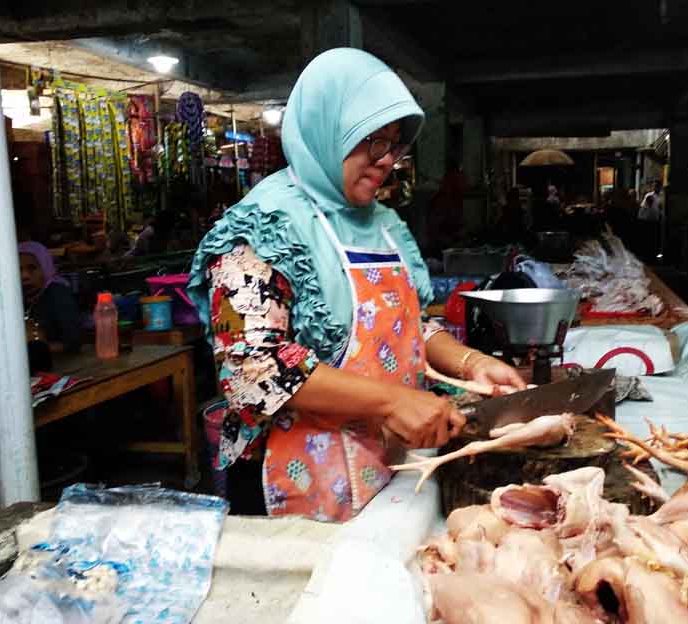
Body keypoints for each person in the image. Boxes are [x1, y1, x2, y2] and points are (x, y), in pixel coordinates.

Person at [188, 48, 525, 522]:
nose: (386, 160)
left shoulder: (383, 225)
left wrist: (471, 363)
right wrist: (391, 401)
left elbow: (411, 328)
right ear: (327, 129)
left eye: (393, 145)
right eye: (370, 141)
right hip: (297, 482)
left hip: (385, 467)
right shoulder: (262, 229)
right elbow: (254, 370)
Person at [18, 241, 81, 354]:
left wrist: (28, 350)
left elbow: (73, 342)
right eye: (18, 270)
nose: (25, 276)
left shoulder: (58, 294)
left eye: (32, 268)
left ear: (46, 267)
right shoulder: (16, 297)